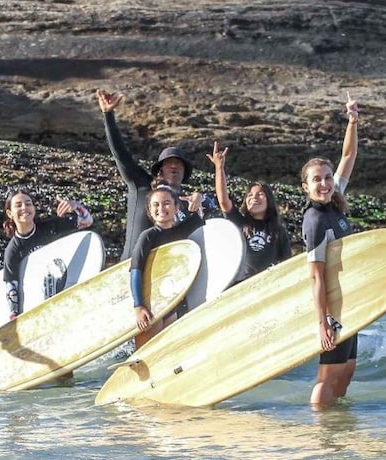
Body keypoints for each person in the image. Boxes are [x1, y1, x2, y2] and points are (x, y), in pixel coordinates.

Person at [96, 89, 212, 261]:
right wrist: (108, 115)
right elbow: (121, 154)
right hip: (130, 266)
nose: (174, 166)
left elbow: (218, 211)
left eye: (179, 164)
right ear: (160, 170)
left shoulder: (187, 205)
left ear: (185, 172)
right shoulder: (142, 185)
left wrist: (202, 198)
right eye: (169, 163)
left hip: (165, 273)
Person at [301, 95, 361, 407]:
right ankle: (320, 431)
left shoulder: (334, 204)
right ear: (306, 187)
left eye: (327, 178)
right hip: (332, 305)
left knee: (347, 369)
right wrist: (323, 320)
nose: (324, 183)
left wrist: (352, 121)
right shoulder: (315, 220)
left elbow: (348, 155)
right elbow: (315, 277)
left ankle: (336, 428)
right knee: (328, 374)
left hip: (348, 300)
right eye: (317, 180)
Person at [206, 141, 292, 283]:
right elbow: (223, 200)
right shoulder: (239, 222)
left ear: (269, 200)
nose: (254, 198)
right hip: (239, 285)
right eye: (250, 195)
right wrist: (219, 167)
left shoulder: (278, 231)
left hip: (267, 284)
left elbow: (286, 263)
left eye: (260, 194)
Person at [2, 189, 94, 320]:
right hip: (39, 308)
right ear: (10, 213)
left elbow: (87, 221)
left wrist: (75, 206)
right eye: (18, 205)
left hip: (64, 293)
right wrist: (14, 315)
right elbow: (12, 286)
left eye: (28, 204)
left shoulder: (50, 228)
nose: (24, 208)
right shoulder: (13, 250)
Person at [130, 185, 204, 348]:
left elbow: (211, 206)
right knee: (146, 354)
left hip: (174, 301)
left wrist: (199, 197)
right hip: (151, 305)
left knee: (169, 352)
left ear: (177, 207)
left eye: (166, 203)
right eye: (156, 204)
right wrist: (138, 306)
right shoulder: (148, 236)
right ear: (149, 210)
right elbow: (135, 270)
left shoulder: (183, 230)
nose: (161, 208)